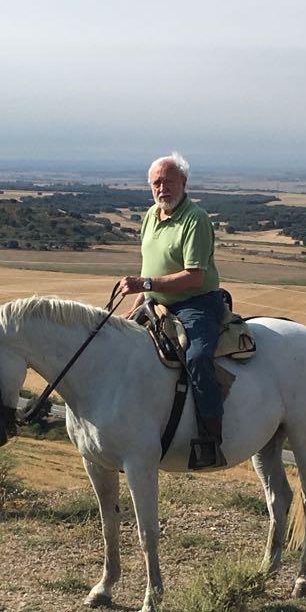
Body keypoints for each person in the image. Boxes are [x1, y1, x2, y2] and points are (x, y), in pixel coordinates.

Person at [117, 152, 226, 469]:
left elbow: (195, 276)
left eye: (168, 181)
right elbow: (147, 267)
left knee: (198, 357)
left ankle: (210, 438)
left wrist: (146, 283)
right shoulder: (151, 215)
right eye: (156, 183)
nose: (162, 188)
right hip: (157, 302)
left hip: (197, 304)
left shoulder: (196, 220)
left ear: (184, 182)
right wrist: (134, 307)